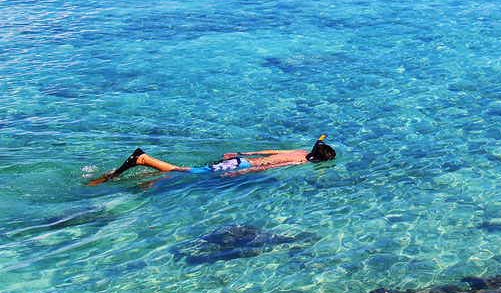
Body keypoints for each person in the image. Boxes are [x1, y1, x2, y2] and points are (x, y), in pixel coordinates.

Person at [88, 135, 336, 186]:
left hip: (239, 159)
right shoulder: (300, 162)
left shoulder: (299, 151)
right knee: (185, 171)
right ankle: (143, 159)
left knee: (184, 172)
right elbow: (267, 165)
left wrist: (240, 153)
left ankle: (148, 175)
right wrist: (238, 172)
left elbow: (267, 153)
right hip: (240, 166)